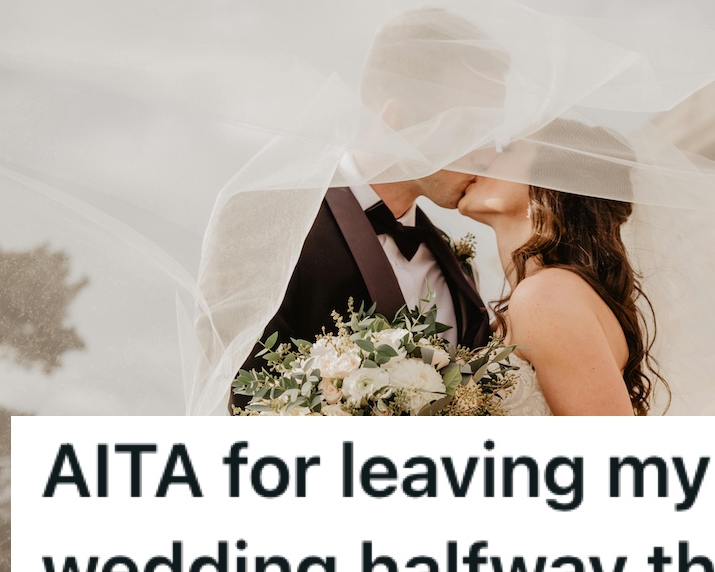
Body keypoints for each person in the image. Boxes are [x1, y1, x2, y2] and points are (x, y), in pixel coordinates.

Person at [231, 8, 510, 409]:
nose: (487, 157)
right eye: (469, 130)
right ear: (398, 121)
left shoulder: (451, 258)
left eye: (492, 136)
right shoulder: (274, 225)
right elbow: (245, 400)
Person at [457, 120, 667, 416]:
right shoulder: (548, 293)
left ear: (548, 188)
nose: (481, 158)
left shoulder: (545, 297)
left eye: (507, 149)